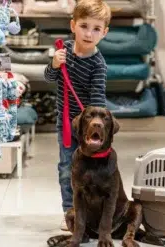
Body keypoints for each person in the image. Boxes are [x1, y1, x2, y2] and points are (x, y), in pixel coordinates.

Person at [43, 0, 111, 231]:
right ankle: (70, 213)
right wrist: (53, 64)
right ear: (73, 25)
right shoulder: (64, 51)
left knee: (91, 172)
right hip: (65, 125)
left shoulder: (98, 64)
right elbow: (50, 78)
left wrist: (95, 130)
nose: (89, 33)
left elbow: (98, 101)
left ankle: (92, 213)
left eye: (96, 29)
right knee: (66, 168)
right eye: (84, 26)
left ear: (104, 32)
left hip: (87, 130)